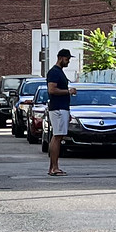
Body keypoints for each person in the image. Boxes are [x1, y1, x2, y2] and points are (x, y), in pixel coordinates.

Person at [45, 47, 74, 177]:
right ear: (61, 58)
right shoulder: (54, 72)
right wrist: (69, 91)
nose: (68, 62)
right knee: (57, 137)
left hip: (61, 108)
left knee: (57, 136)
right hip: (58, 109)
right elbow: (52, 90)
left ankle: (52, 167)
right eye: (67, 59)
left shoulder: (59, 72)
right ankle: (55, 167)